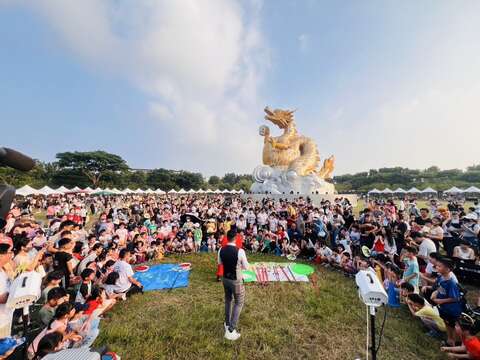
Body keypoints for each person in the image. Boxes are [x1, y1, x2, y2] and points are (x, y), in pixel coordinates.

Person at [218, 229, 249, 341]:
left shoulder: (221, 249)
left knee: (228, 300)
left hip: (225, 278)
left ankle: (227, 323)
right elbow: (246, 267)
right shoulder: (240, 251)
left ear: (227, 237)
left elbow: (220, 263)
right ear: (235, 238)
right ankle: (231, 329)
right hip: (236, 280)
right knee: (239, 302)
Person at [432, 257, 464, 347]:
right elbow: (438, 288)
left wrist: (440, 301)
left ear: (448, 269)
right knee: (446, 323)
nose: (437, 267)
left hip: (451, 309)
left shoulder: (451, 282)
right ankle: (449, 340)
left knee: (452, 326)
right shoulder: (441, 277)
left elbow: (455, 298)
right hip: (444, 308)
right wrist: (435, 293)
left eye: (439, 266)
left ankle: (454, 344)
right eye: (437, 266)